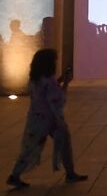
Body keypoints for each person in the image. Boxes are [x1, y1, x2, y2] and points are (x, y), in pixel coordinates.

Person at [8, 50, 86, 188]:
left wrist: (60, 80)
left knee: (30, 146)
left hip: (36, 118)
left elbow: (46, 91)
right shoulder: (48, 81)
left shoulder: (35, 79)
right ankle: (70, 173)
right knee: (63, 144)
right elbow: (58, 98)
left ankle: (15, 174)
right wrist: (66, 83)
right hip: (50, 119)